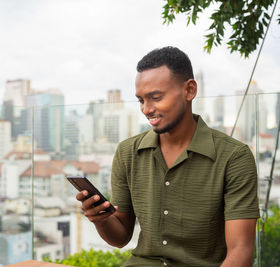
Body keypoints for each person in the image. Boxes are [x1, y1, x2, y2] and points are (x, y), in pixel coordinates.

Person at [76, 46, 259, 266]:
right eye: (141, 100)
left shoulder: (234, 157)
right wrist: (101, 219)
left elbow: (241, 251)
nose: (146, 109)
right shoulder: (127, 153)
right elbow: (120, 237)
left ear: (189, 90)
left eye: (155, 97)